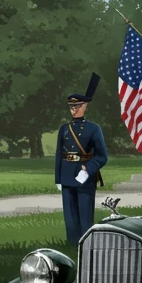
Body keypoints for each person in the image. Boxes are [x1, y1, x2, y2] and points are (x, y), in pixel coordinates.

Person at [54, 74, 108, 246]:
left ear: (85, 106)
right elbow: (58, 154)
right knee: (70, 219)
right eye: (71, 106)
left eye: (77, 106)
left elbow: (102, 156)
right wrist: (58, 178)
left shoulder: (93, 128)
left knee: (85, 218)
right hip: (67, 175)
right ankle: (72, 248)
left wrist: (88, 170)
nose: (74, 110)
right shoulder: (64, 129)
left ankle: (86, 247)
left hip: (84, 175)